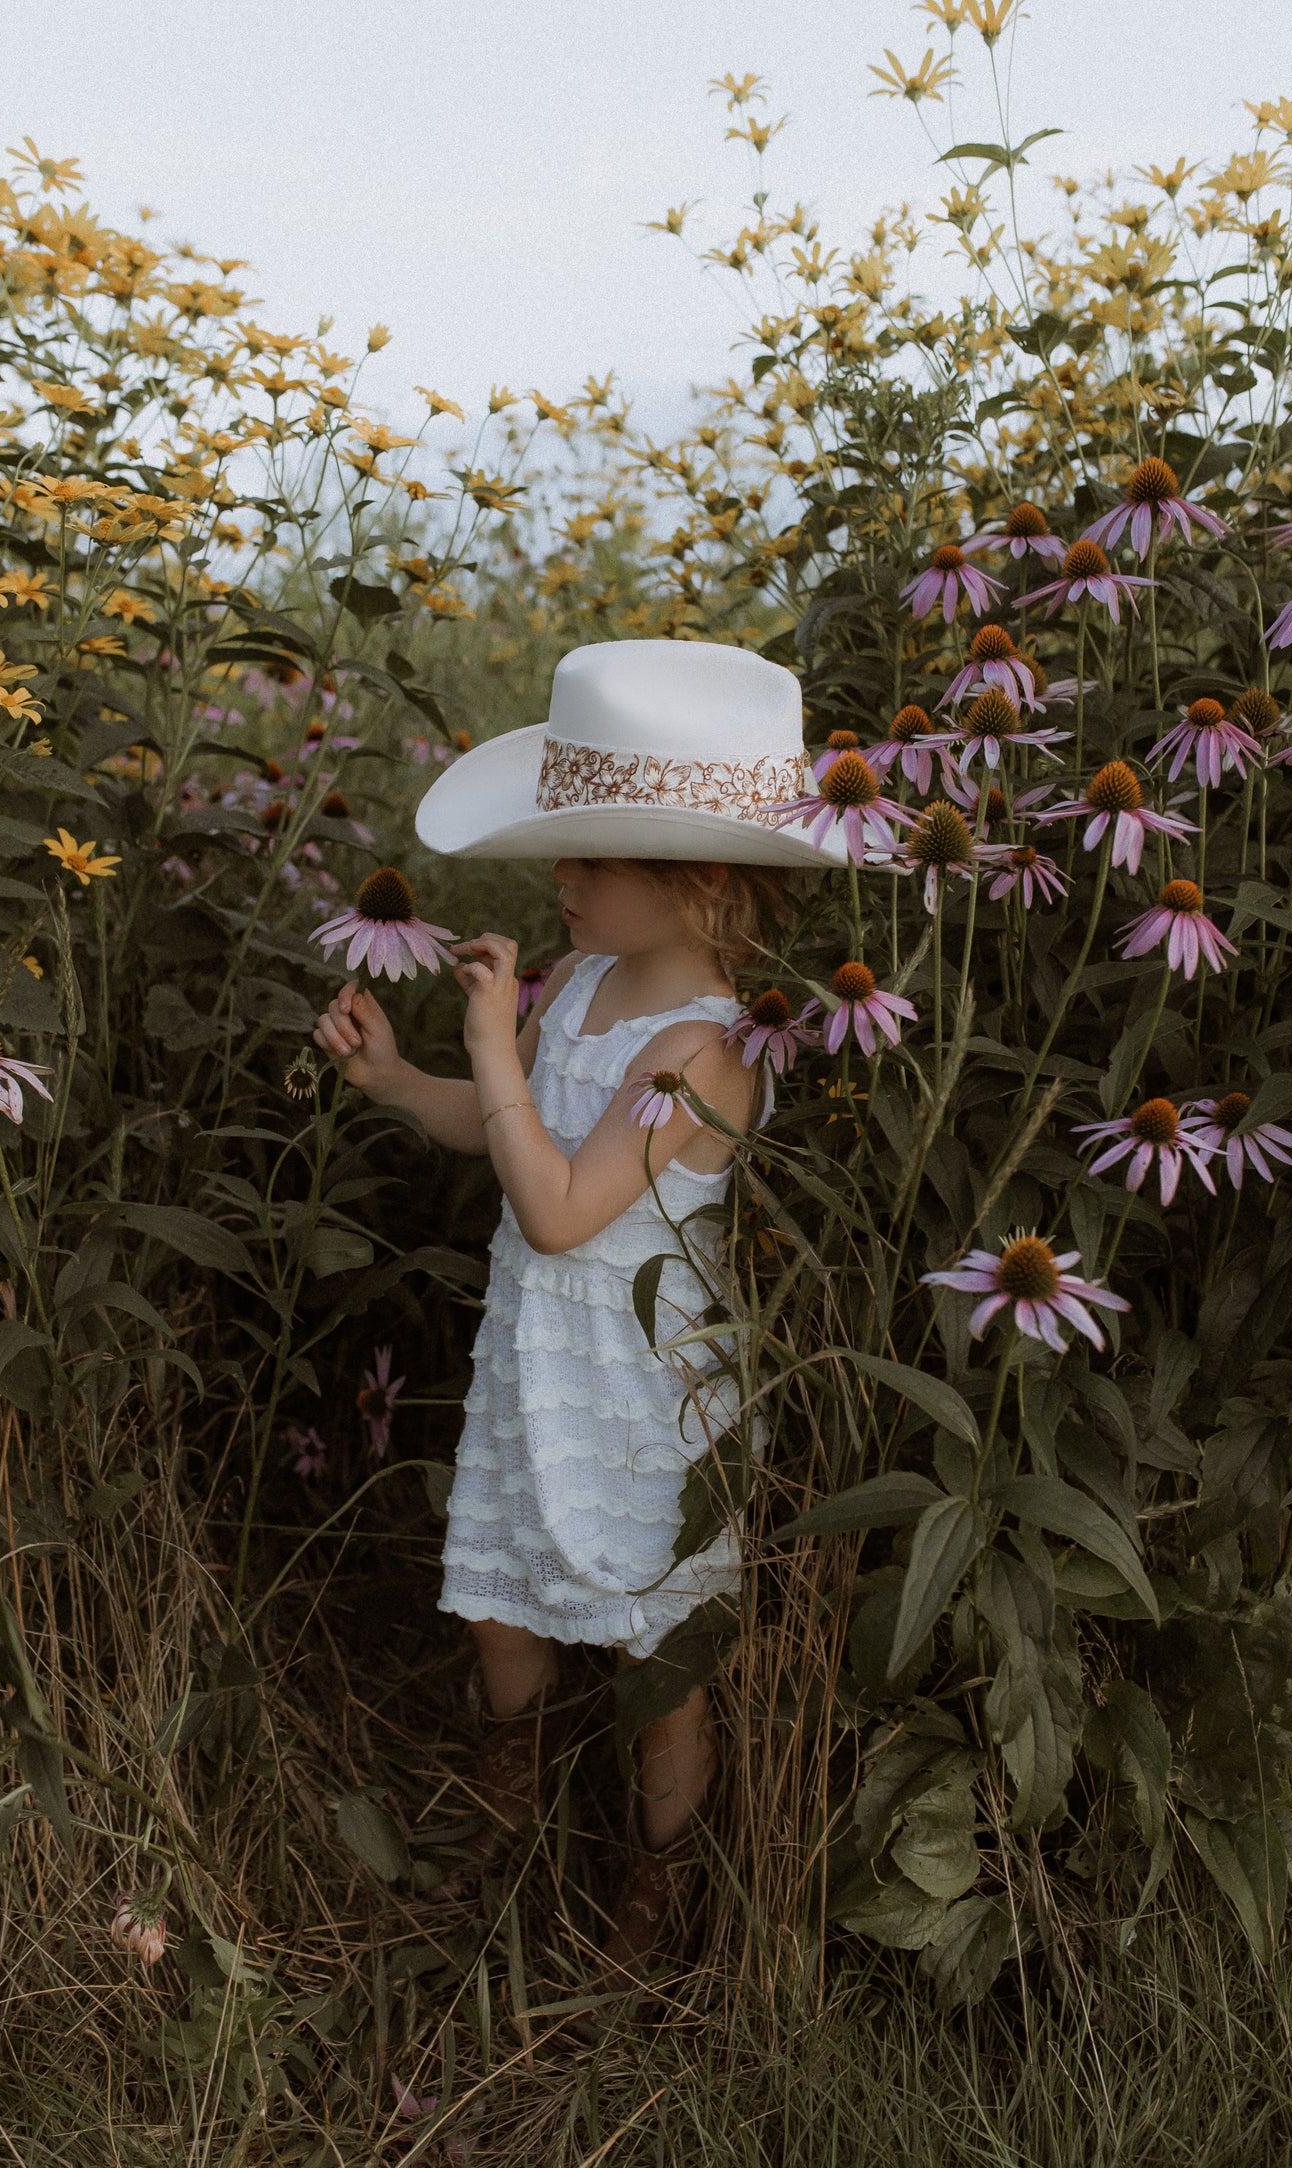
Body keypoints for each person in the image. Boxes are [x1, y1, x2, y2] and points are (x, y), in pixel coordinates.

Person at [311, 638, 842, 1980]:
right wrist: (405, 1082)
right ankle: (508, 1813)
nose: (560, 878)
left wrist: (493, 1049)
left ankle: (650, 1898)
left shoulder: (708, 1052)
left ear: (701, 876)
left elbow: (556, 1209)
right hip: (534, 1363)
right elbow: (508, 1136)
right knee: (501, 1603)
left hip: (639, 1393)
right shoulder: (591, 988)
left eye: (591, 857)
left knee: (655, 1657)